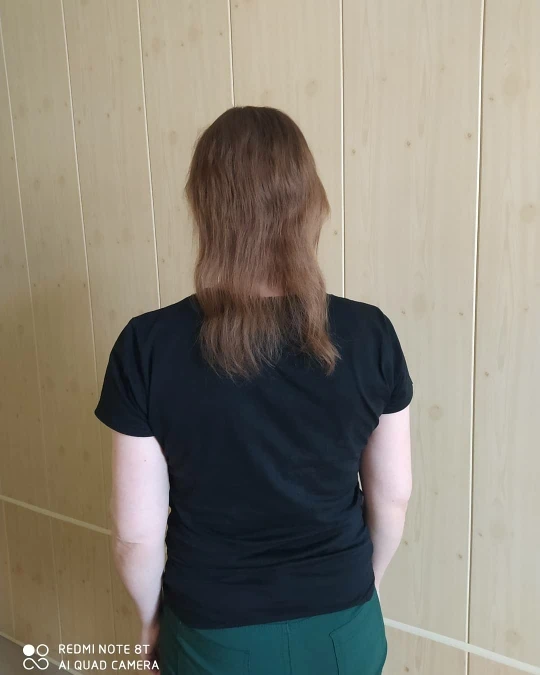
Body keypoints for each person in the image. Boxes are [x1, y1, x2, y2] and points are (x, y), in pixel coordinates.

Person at [94, 106, 413, 675]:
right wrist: (360, 588)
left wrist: (149, 624)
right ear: (309, 202)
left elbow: (135, 535)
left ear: (204, 207)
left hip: (213, 636)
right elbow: (393, 497)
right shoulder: (371, 334)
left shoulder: (147, 345)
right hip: (345, 627)